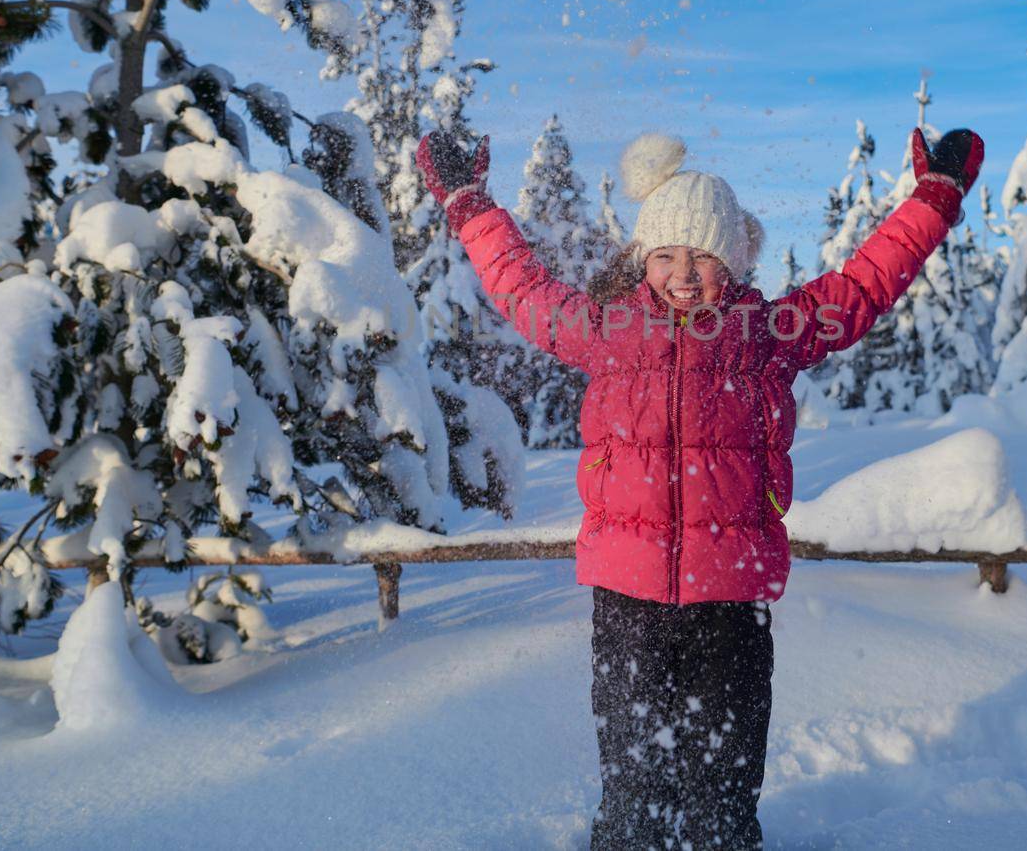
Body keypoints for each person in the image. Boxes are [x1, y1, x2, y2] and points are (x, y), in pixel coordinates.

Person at [415, 125, 983, 849]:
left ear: (736, 258)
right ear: (643, 258)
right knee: (633, 785)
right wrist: (469, 205)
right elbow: (521, 287)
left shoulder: (768, 334)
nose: (685, 273)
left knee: (724, 788)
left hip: (730, 603)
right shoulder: (607, 330)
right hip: (628, 604)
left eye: (705, 255)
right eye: (667, 254)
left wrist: (933, 200)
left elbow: (865, 284)